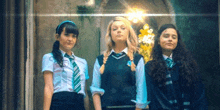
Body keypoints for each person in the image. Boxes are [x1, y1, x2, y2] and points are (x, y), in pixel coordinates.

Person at [90, 17, 149, 110]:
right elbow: (95, 90)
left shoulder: (138, 59)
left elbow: (141, 89)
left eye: (123, 28)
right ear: (110, 34)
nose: (119, 31)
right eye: (115, 29)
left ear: (128, 32)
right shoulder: (100, 60)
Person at [145, 24, 208, 110]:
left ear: (177, 42)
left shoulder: (189, 65)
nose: (170, 39)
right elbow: (153, 98)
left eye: (174, 37)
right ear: (158, 41)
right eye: (166, 36)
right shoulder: (150, 67)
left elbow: (199, 95)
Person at [42, 20, 90, 110]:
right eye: (66, 35)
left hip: (79, 104)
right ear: (57, 36)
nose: (70, 39)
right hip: (59, 103)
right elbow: (48, 87)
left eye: (74, 36)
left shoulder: (83, 62)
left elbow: (85, 92)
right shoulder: (49, 58)